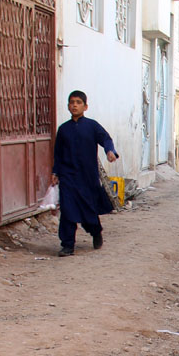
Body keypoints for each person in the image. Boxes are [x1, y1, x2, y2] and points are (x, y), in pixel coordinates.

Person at [51, 90, 119, 256]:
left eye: (78, 102)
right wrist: (55, 172)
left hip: (87, 176)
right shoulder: (63, 129)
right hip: (68, 176)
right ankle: (67, 245)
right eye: (72, 102)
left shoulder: (92, 126)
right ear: (68, 106)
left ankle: (95, 231)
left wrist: (110, 151)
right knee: (67, 210)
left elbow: (106, 139)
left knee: (88, 210)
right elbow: (58, 153)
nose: (75, 105)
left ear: (85, 106)